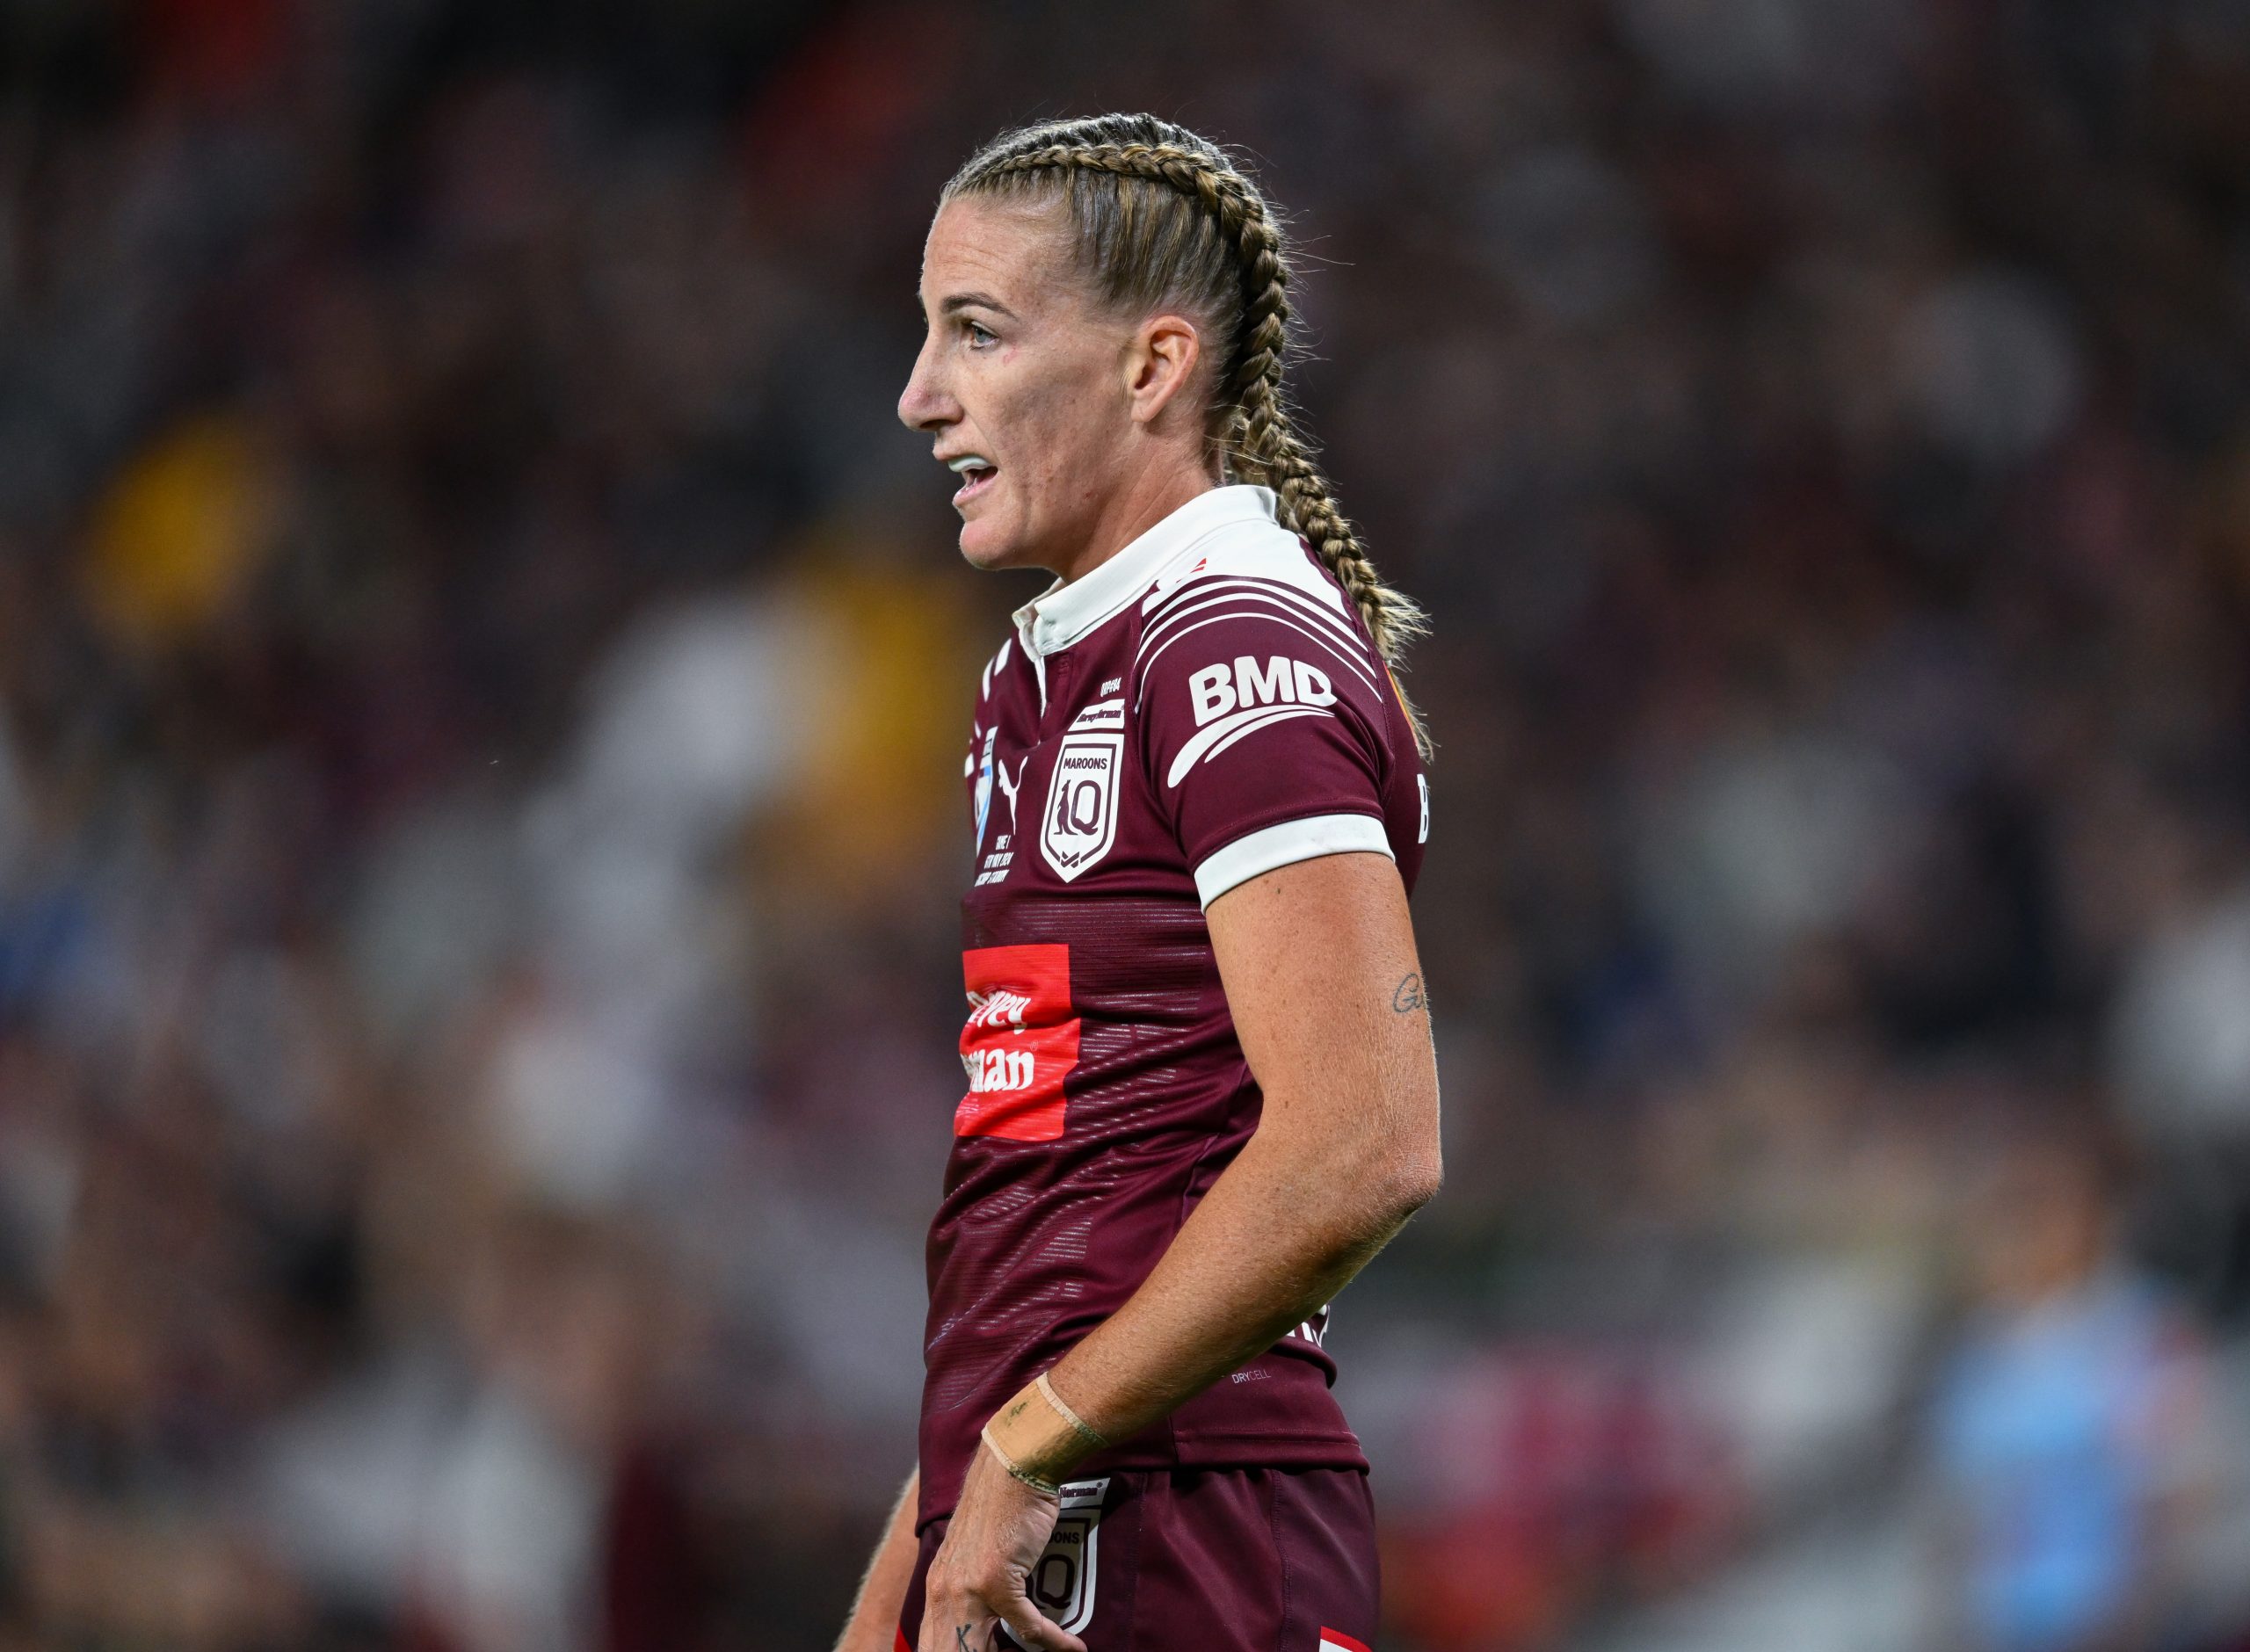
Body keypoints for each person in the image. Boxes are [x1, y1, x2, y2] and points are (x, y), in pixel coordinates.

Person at [836, 113, 1442, 1652]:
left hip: (1184, 1509)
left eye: (976, 332)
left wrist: (1034, 1441)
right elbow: (1043, 1197)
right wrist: (909, 1564)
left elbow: (1364, 1140)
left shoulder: (1233, 643)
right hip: (1052, 1489)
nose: (919, 398)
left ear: (1153, 367)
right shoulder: (1040, 679)